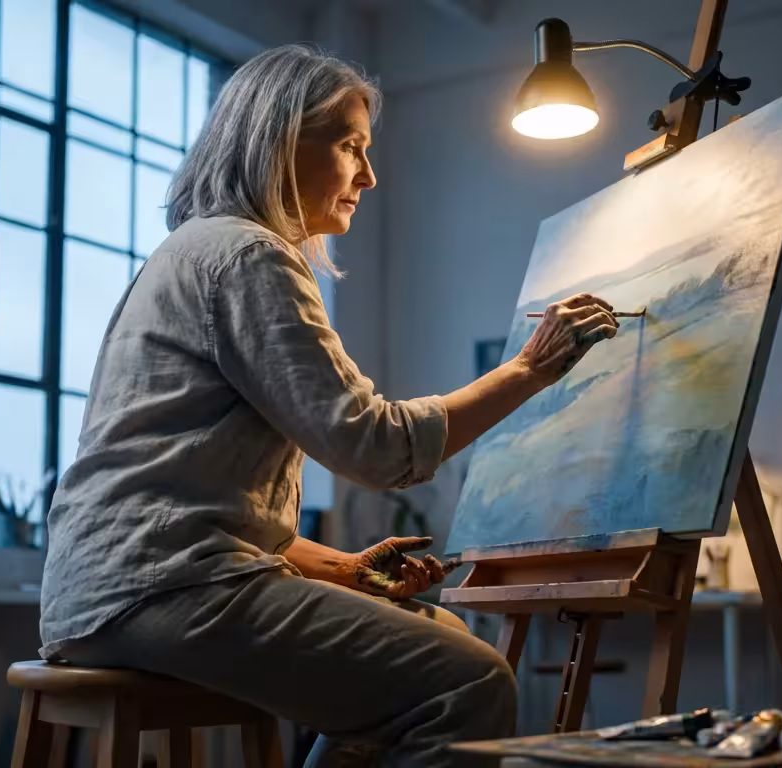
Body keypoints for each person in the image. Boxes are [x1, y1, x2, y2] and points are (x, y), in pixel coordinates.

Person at [40, 43, 619, 767]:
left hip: (117, 581)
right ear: (280, 141)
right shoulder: (248, 256)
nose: (368, 176)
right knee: (467, 682)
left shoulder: (190, 250)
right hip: (156, 588)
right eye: (351, 147)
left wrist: (341, 569)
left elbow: (190, 497)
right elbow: (375, 449)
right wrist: (531, 370)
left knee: (447, 640)